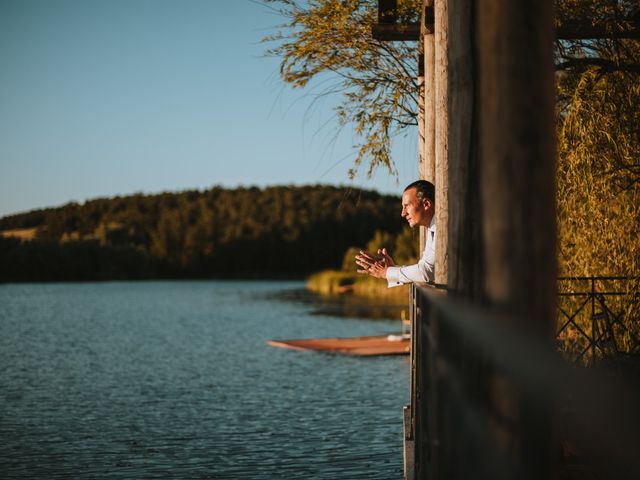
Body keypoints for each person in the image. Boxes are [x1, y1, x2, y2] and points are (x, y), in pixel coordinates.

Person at [355, 180, 436, 286]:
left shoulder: (442, 227)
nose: (403, 213)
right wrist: (391, 269)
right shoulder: (431, 229)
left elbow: (426, 272)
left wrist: (387, 272)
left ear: (426, 204)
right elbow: (424, 269)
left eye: (407, 206)